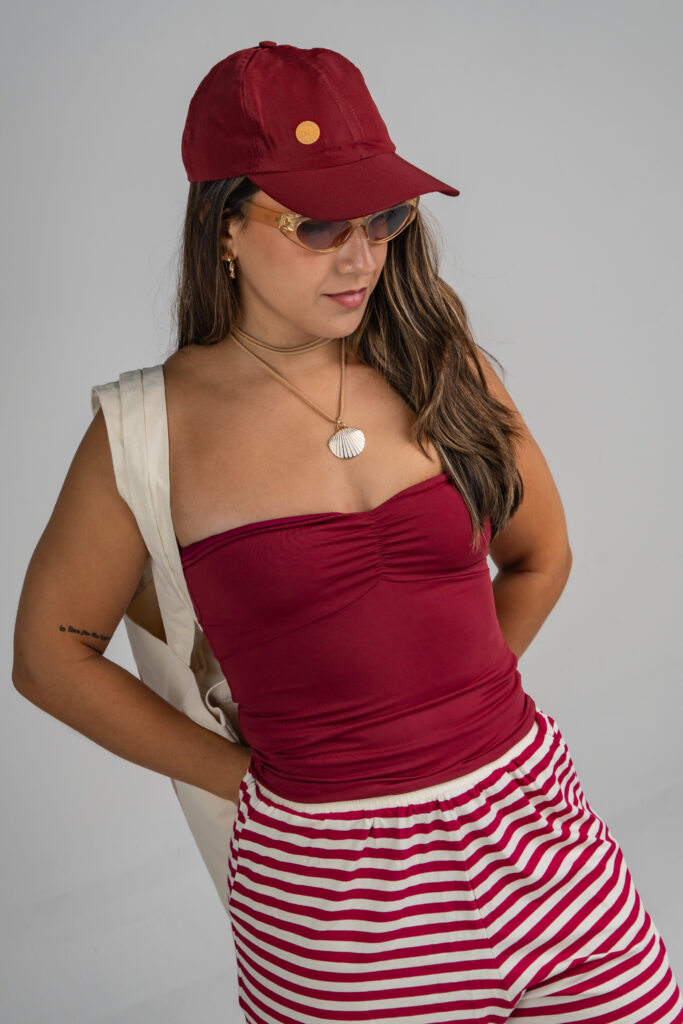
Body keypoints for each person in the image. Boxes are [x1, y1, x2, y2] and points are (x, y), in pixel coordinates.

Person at [12, 40, 683, 1024]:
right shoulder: (147, 430)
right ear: (224, 228)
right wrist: (249, 783)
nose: (362, 255)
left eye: (383, 216)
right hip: (333, 896)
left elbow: (542, 556)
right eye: (319, 223)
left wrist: (451, 718)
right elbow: (49, 655)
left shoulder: (440, 362)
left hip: (538, 832)